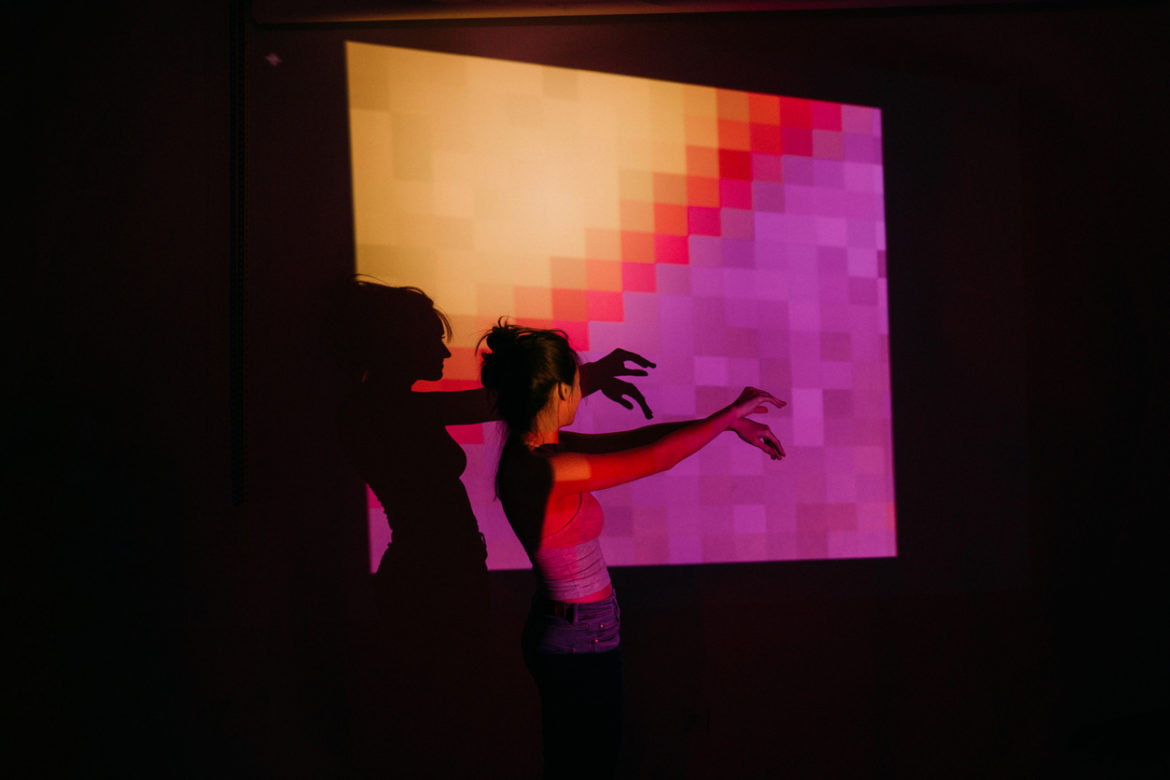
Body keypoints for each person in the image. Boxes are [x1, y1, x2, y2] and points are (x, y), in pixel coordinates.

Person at [325, 278, 657, 774]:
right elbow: (498, 402)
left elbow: (497, 403)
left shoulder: (380, 407)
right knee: (441, 714)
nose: (443, 350)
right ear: (395, 342)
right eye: (431, 338)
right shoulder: (374, 409)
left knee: (449, 710)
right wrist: (576, 379)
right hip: (430, 581)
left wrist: (578, 380)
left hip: (442, 575)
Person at [479, 321, 785, 779]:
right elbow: (660, 457)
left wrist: (727, 424)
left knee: (579, 762)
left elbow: (642, 441)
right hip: (579, 636)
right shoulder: (545, 470)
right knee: (586, 767)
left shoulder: (542, 455)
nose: (580, 395)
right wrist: (727, 415)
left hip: (578, 629)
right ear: (561, 391)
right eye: (579, 384)